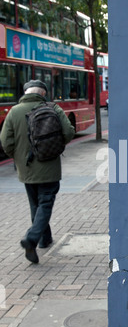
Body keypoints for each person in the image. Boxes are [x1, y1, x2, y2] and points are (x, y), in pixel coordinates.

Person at [0, 80, 75, 264]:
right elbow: (69, 132)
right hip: (49, 167)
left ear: (26, 92)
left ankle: (44, 239)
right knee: (45, 204)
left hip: (26, 168)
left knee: (36, 204)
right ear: (43, 93)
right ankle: (32, 239)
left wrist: (18, 157)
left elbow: (6, 142)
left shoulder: (14, 111)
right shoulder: (53, 108)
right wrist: (54, 147)